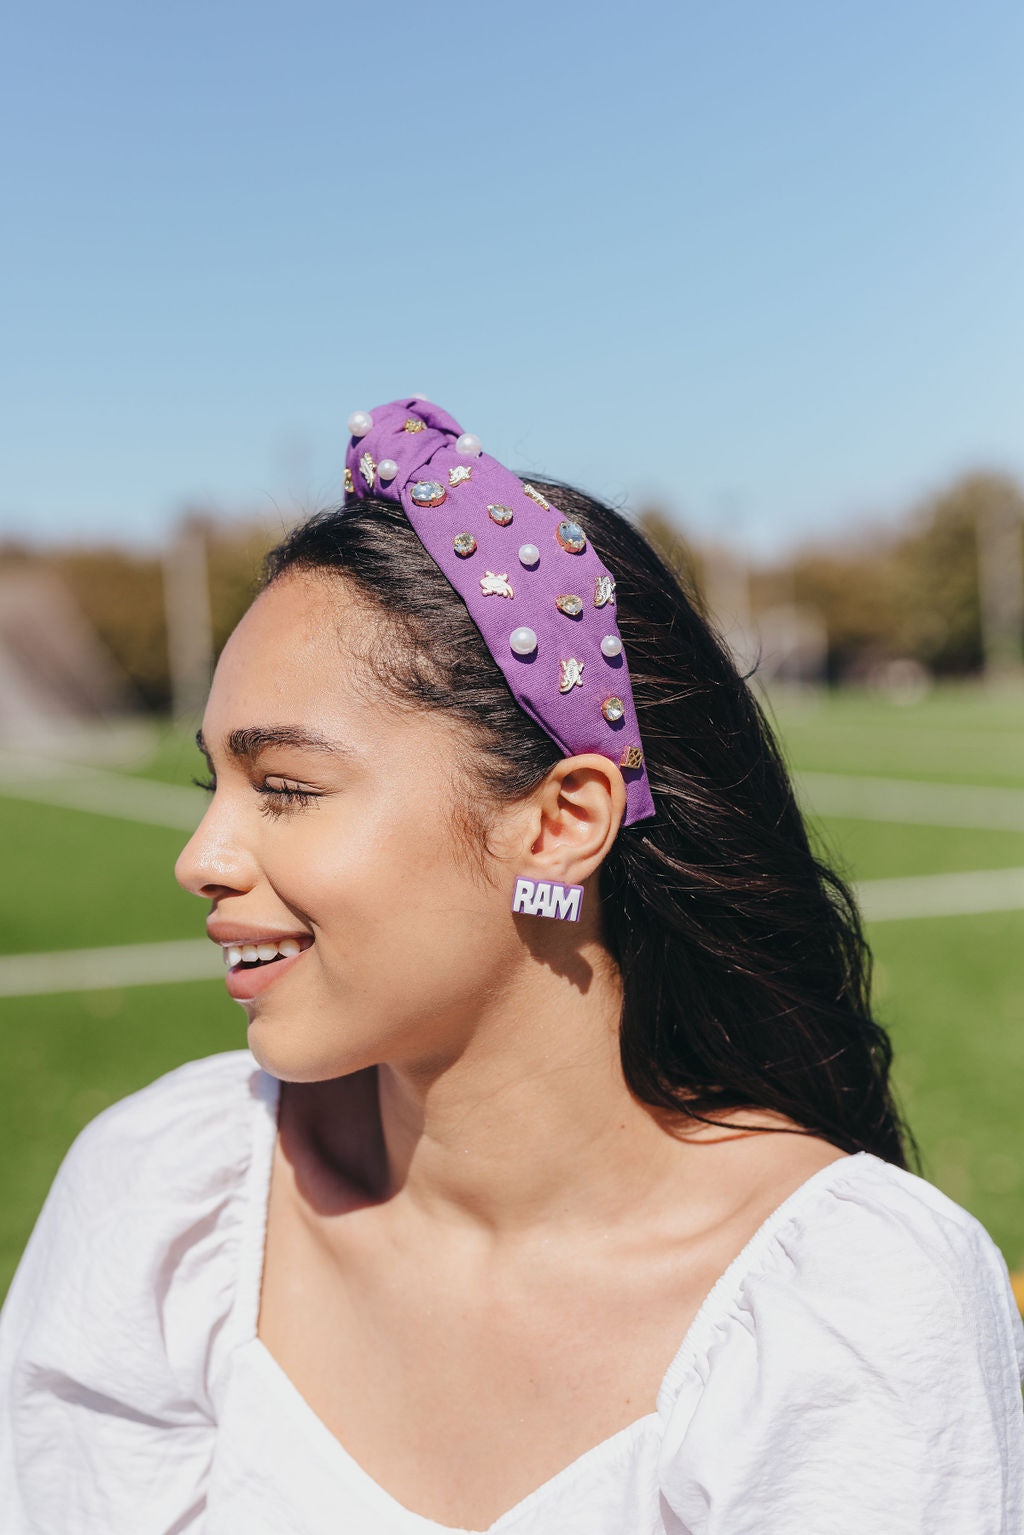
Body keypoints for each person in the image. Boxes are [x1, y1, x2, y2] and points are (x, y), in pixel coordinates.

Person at [1, 396, 1021, 1535]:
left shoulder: (848, 1304)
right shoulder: (161, 1196)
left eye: (284, 785)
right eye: (216, 786)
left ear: (560, 821)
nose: (201, 858)